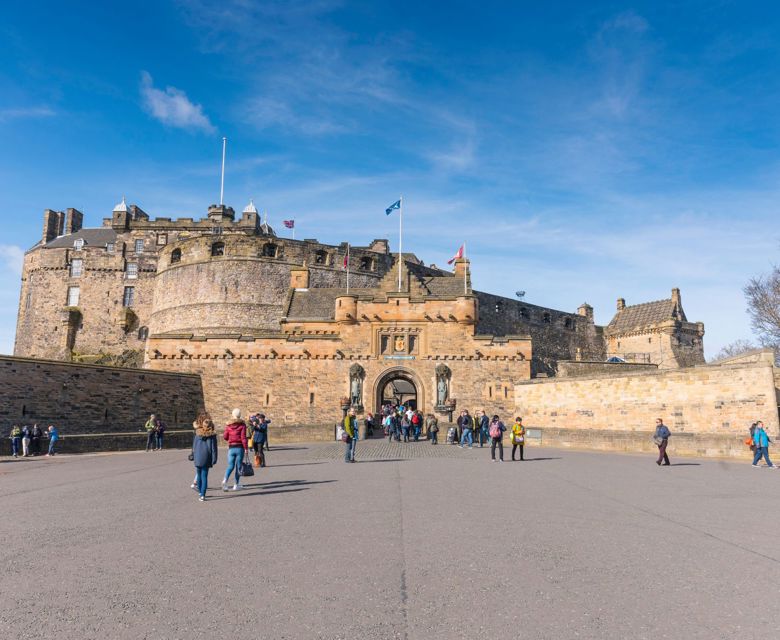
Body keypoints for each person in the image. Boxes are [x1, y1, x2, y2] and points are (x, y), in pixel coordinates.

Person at [191, 411, 218, 501]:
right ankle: (203, 494)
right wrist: (214, 458)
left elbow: (194, 446)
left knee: (199, 474)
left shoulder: (197, 433)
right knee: (204, 476)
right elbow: (214, 448)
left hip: (198, 456)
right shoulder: (212, 435)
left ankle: (200, 492)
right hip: (207, 456)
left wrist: (193, 455)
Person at [222, 409, 249, 490]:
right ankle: (236, 485)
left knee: (230, 466)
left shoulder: (228, 425)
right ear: (240, 415)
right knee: (238, 466)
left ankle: (225, 480)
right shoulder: (242, 425)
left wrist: (230, 439)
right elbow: (243, 438)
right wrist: (246, 448)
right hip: (239, 448)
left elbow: (225, 437)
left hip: (231, 448)